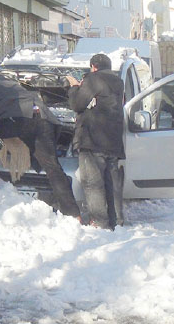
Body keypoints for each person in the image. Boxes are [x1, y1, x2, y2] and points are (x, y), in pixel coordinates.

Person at [0, 68, 82, 222]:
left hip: (18, 120)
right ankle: (73, 214)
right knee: (53, 168)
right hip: (42, 119)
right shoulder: (7, 80)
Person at [66, 53, 124, 229]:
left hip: (93, 139)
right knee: (110, 184)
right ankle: (115, 222)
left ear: (93, 67)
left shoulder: (93, 79)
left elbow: (77, 104)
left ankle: (99, 223)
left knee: (93, 183)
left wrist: (74, 87)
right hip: (113, 140)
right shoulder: (118, 82)